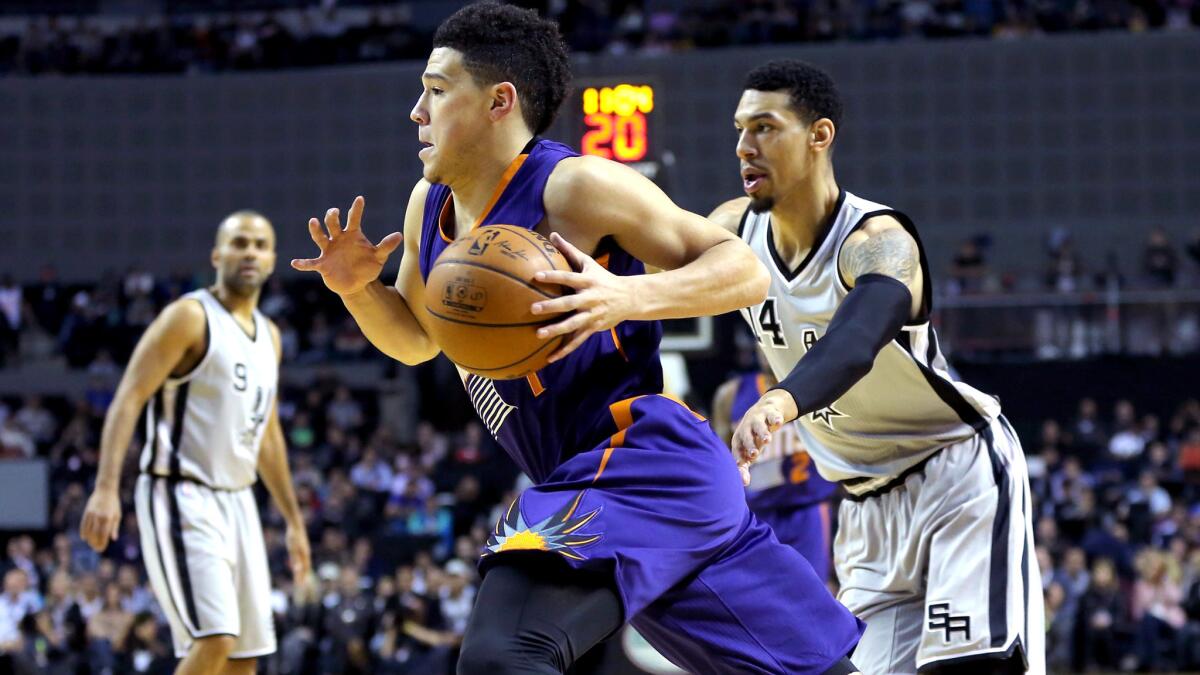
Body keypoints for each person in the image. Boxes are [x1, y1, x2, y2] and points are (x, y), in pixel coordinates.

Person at [293, 3, 863, 673]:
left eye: (437, 90)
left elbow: (743, 268)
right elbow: (420, 341)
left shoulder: (574, 187)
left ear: (499, 101)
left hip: (636, 459)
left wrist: (626, 294)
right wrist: (358, 289)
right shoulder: (430, 206)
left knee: (506, 655)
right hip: (629, 487)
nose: (417, 111)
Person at [708, 59, 1043, 673]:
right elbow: (647, 265)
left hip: (952, 472)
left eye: (764, 127)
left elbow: (857, 338)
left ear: (819, 135)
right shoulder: (730, 232)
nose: (743, 147)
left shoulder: (877, 240)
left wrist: (782, 400)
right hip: (864, 507)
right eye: (739, 129)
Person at [79, 211, 311, 675]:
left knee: (244, 658)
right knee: (215, 639)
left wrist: (292, 520)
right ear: (217, 255)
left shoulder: (271, 337)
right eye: (239, 243)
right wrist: (106, 488)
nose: (250, 252)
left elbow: (266, 435)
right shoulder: (188, 316)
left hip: (240, 500)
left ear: (272, 260)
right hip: (180, 491)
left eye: (260, 245)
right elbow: (128, 399)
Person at [711, 357, 836, 581]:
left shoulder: (819, 386)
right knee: (758, 592)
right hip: (756, 512)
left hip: (807, 508)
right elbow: (720, 463)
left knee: (813, 588)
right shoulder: (732, 393)